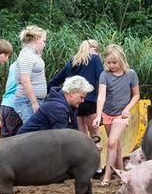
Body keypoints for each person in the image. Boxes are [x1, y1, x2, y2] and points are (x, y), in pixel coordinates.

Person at [47, 39, 105, 176]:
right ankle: (97, 168)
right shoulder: (95, 59)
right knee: (96, 135)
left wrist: (48, 91)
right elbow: (101, 78)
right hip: (90, 100)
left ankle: (83, 167)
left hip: (75, 103)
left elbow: (57, 78)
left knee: (81, 136)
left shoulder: (73, 61)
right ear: (94, 49)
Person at [93, 44, 140, 186]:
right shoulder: (104, 75)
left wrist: (128, 108)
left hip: (122, 115)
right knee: (117, 146)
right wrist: (98, 115)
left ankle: (107, 176)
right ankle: (122, 173)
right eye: (108, 62)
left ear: (121, 60)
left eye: (114, 62)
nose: (111, 65)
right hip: (107, 114)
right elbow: (101, 96)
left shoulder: (130, 74)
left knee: (112, 142)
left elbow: (136, 95)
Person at [17, 76, 92, 134]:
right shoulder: (57, 108)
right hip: (27, 147)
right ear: (72, 93)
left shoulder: (68, 106)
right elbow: (62, 138)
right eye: (81, 97)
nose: (83, 101)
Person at [14, 25, 48, 123]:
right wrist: (34, 103)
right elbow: (25, 81)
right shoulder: (27, 56)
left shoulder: (33, 54)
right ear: (36, 39)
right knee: (33, 134)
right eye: (44, 41)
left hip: (32, 100)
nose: (44, 44)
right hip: (27, 101)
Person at [0, 61, 23, 137]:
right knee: (17, 139)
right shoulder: (27, 63)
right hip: (15, 106)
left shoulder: (14, 64)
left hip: (4, 104)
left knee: (5, 140)